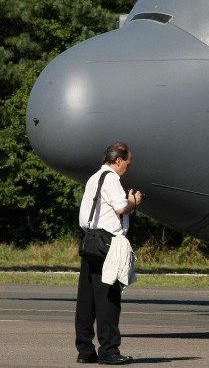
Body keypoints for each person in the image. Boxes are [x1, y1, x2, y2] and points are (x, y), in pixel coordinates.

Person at [75, 142, 143, 365]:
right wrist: (133, 201)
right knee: (108, 299)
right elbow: (121, 208)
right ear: (118, 160)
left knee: (87, 300)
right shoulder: (112, 179)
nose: (127, 168)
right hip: (107, 244)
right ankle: (109, 351)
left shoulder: (94, 178)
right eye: (127, 164)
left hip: (90, 241)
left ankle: (85, 350)